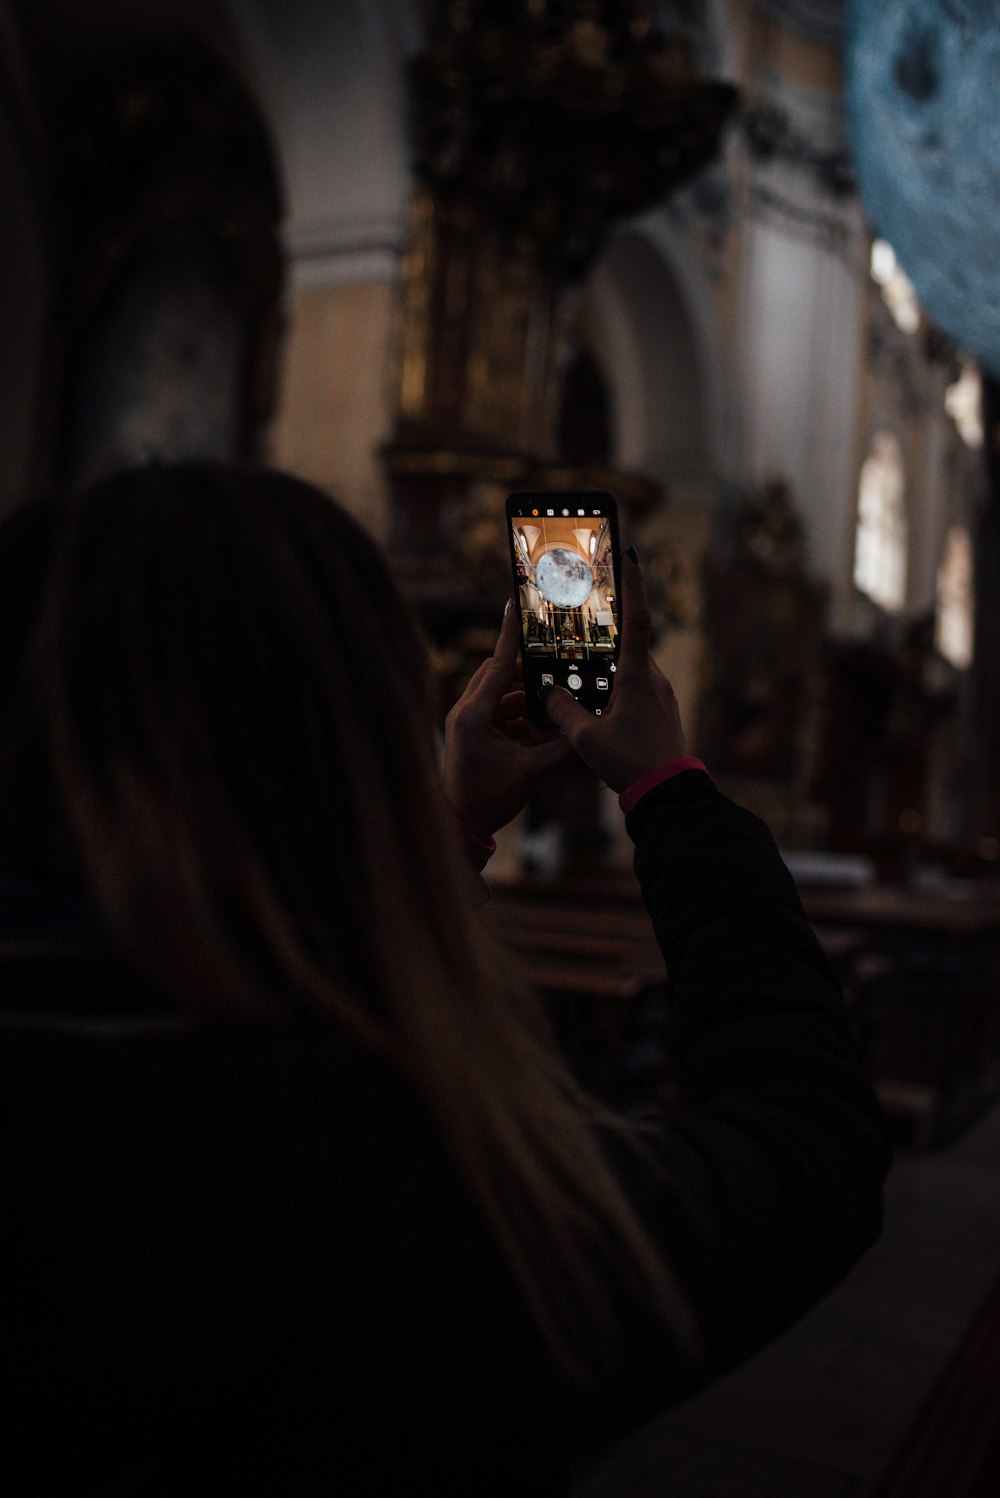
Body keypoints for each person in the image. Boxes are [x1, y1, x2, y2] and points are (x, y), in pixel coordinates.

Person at [0, 461, 890, 1497]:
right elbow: (809, 1142)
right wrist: (664, 787)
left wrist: (452, 830)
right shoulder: (466, 1235)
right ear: (358, 765)